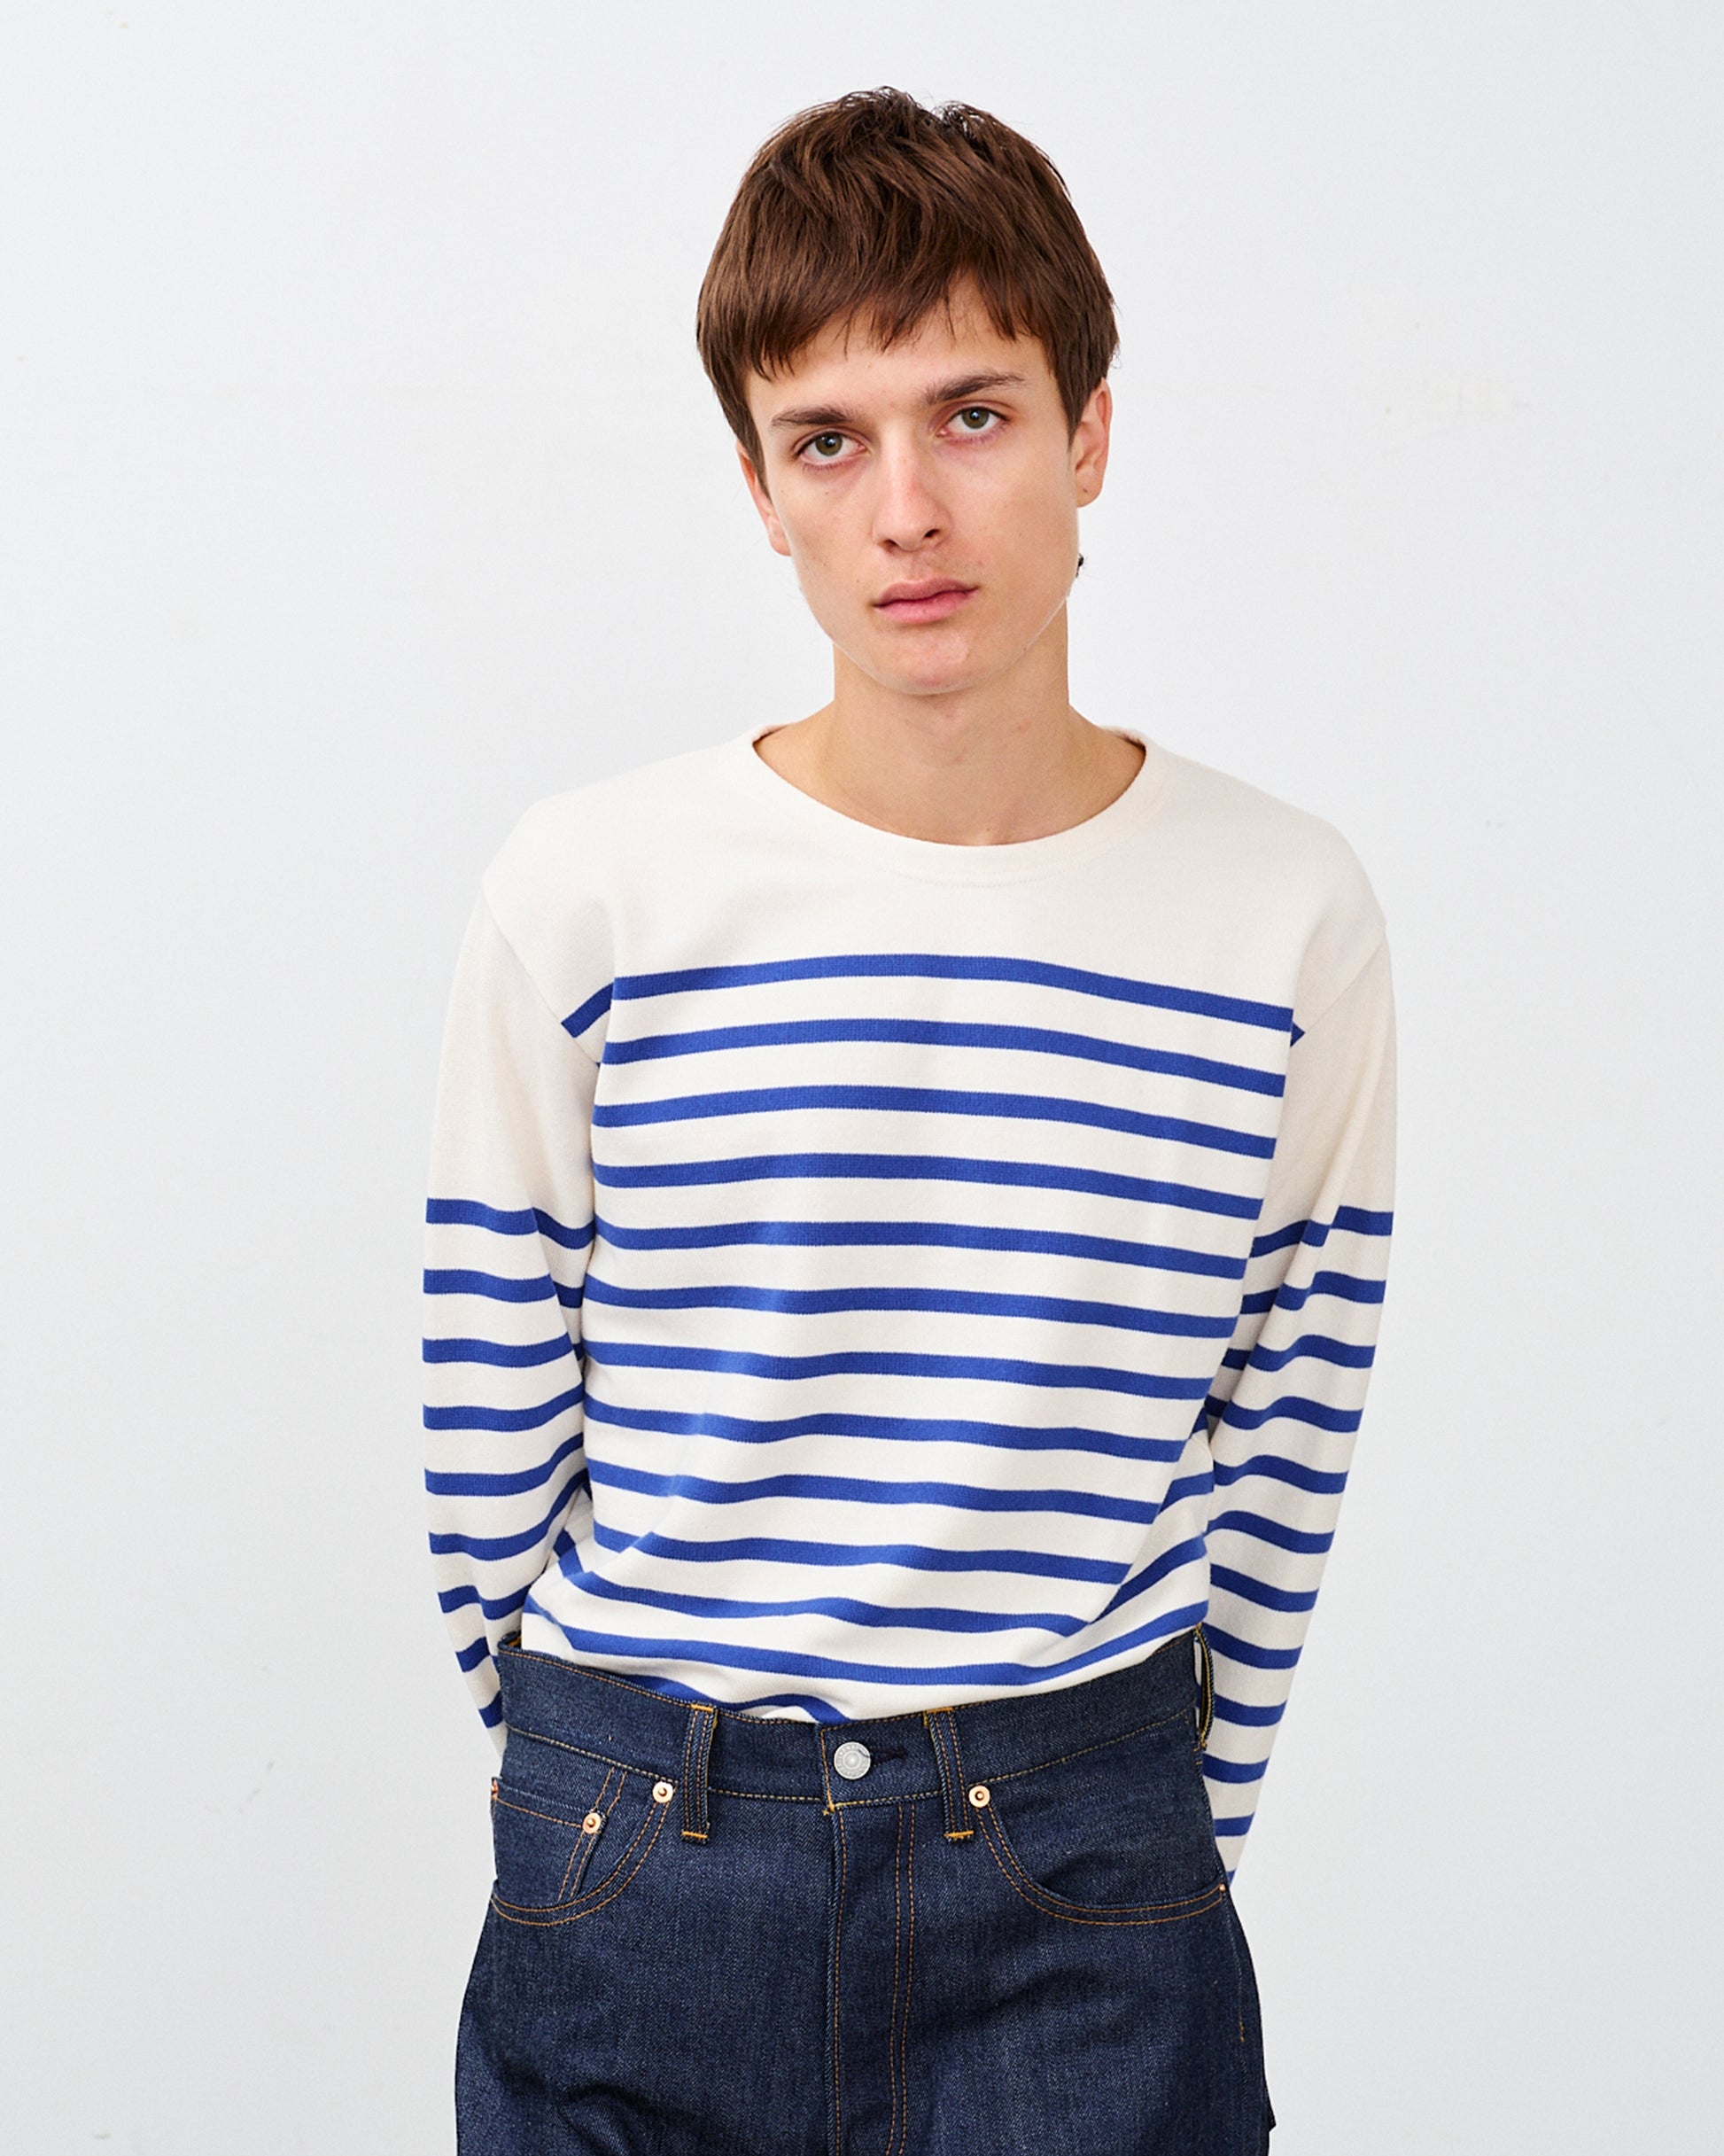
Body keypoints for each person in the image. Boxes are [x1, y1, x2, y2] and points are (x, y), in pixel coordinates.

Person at [423, 87, 1394, 2155]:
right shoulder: (594, 892)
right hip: (647, 1853)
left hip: (1081, 1873)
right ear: (758, 487)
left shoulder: (1278, 911)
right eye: (826, 440)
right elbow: (491, 1416)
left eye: (971, 415)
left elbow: (1287, 1420)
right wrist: (589, 1799)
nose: (905, 511)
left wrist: (1153, 1827)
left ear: (1088, 435)